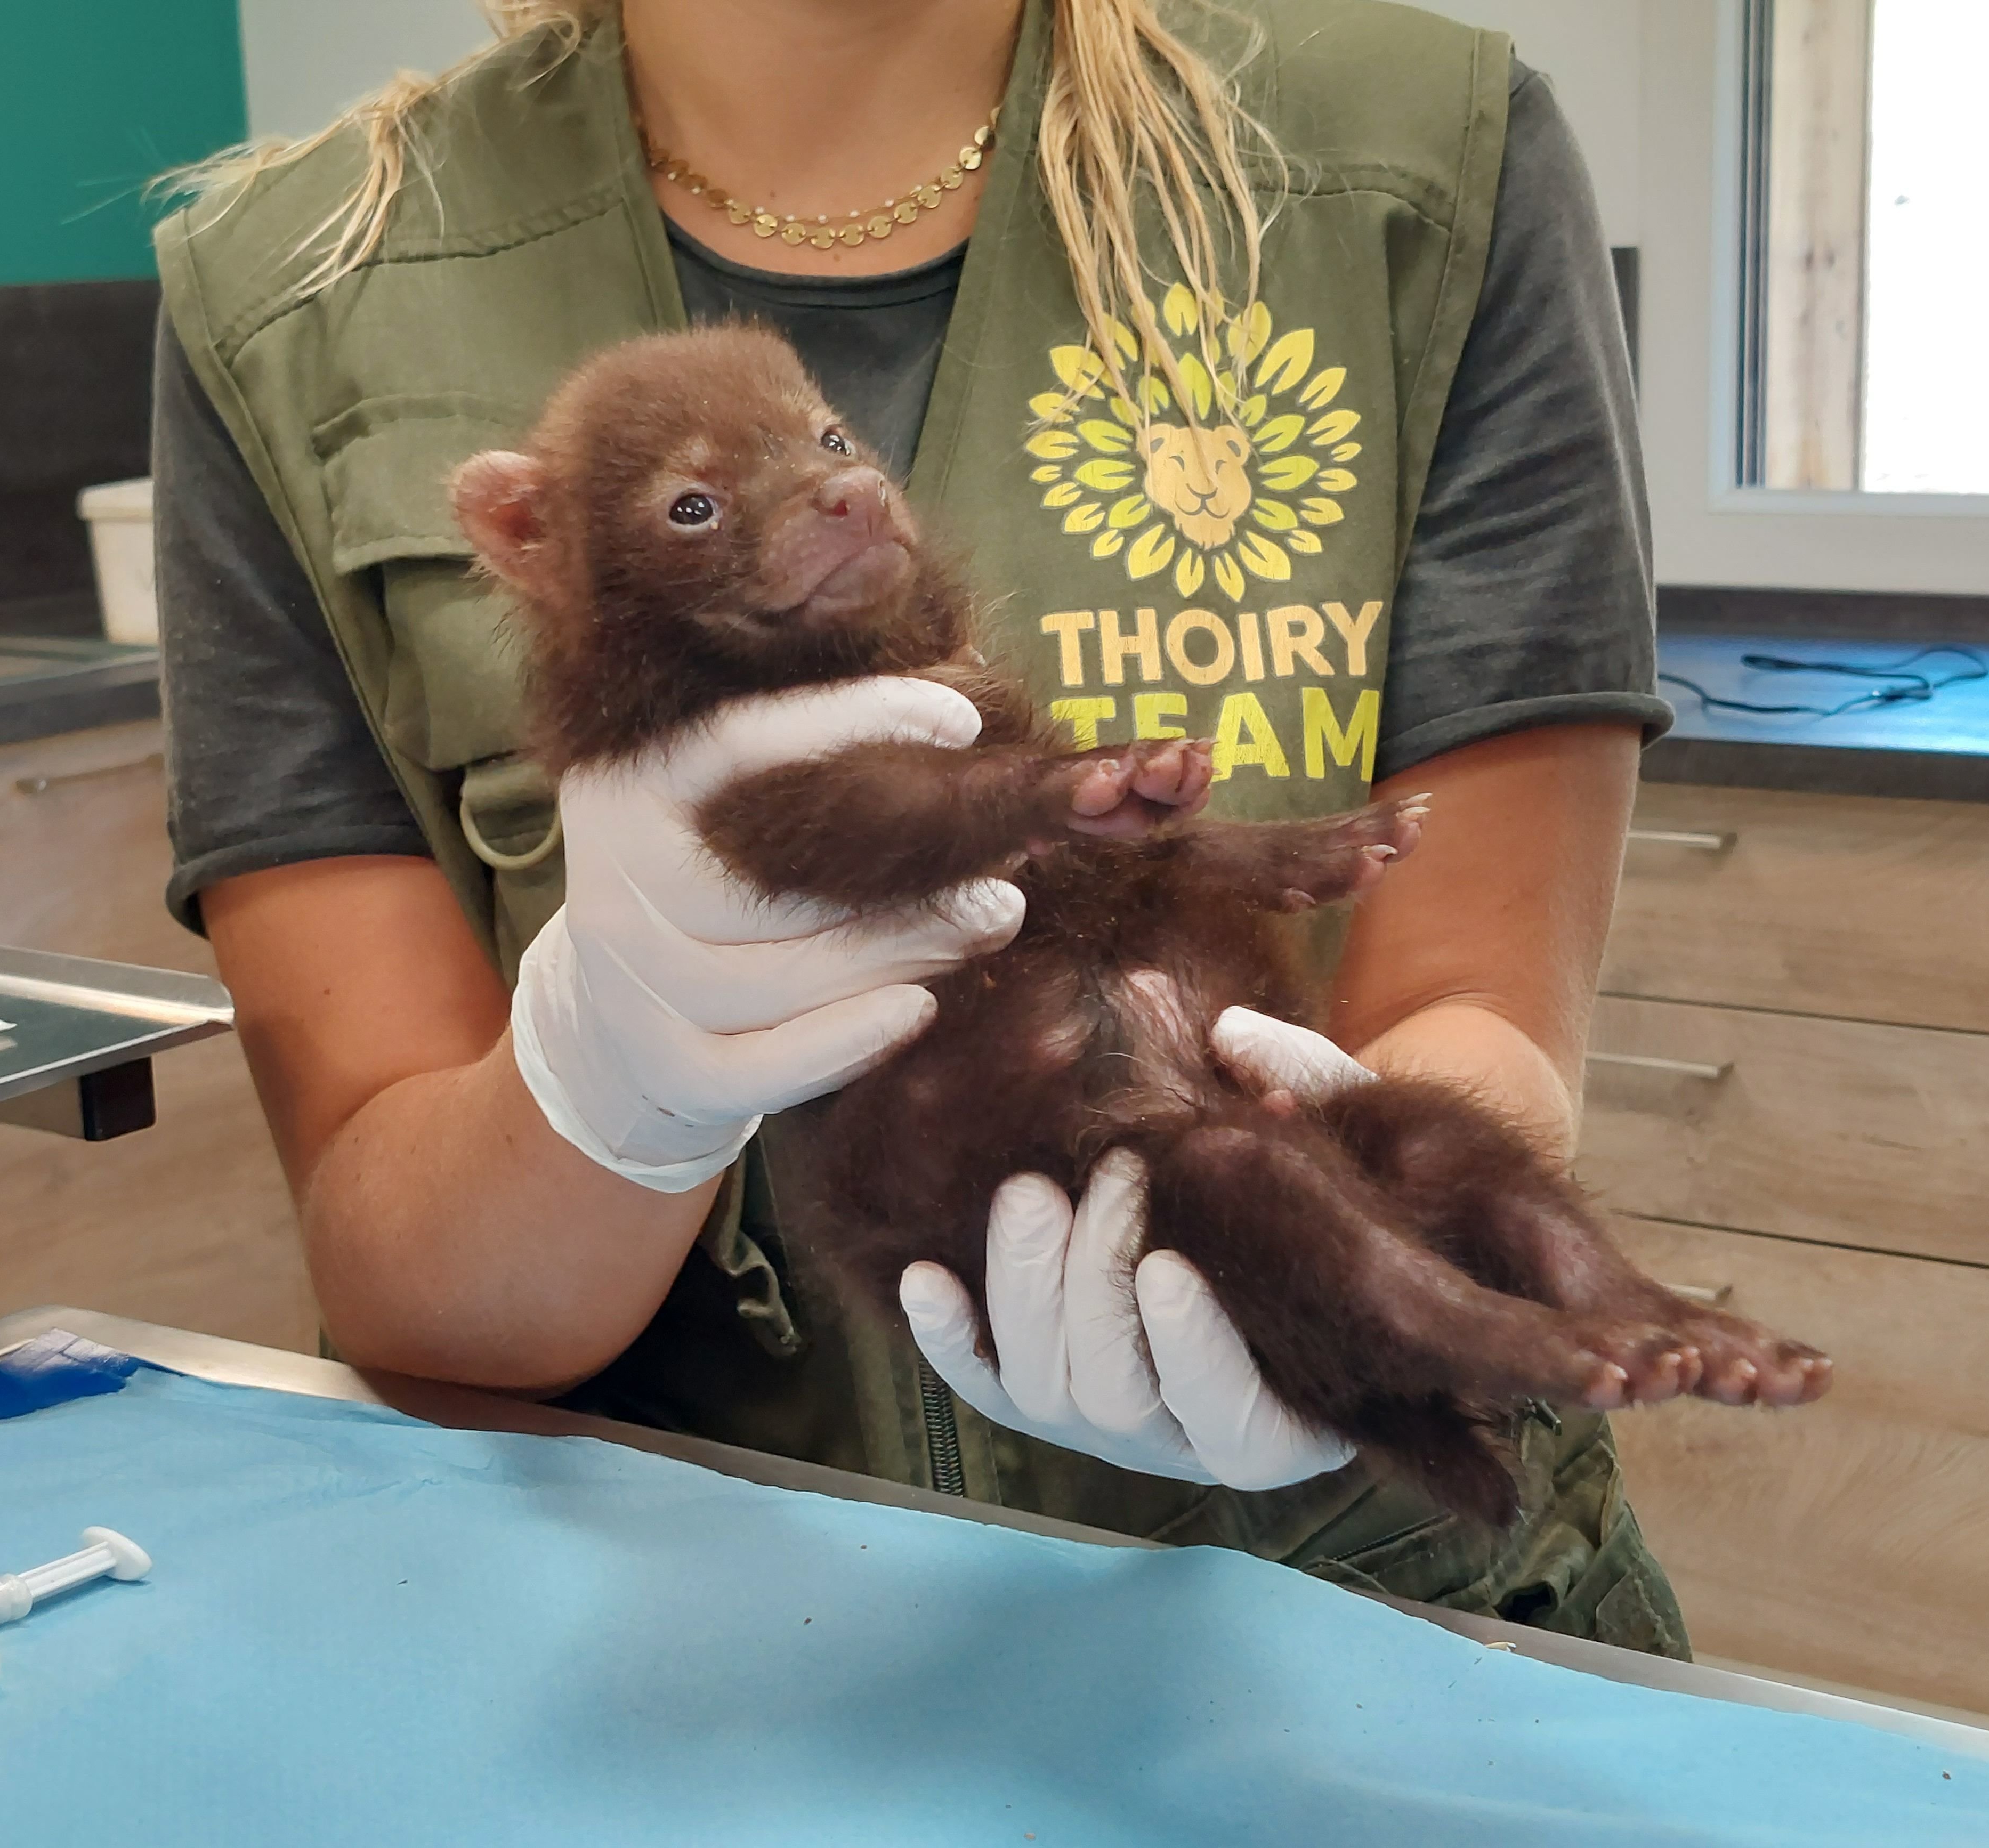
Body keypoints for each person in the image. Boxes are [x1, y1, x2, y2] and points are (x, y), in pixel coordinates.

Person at [151, 0, 1686, 1652]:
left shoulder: (1414, 166)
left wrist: (1327, 1277)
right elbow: (395, 1258)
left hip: (1376, 1621)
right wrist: (601, 1084)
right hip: (713, 1649)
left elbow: (1480, 994)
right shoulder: (295, 290)